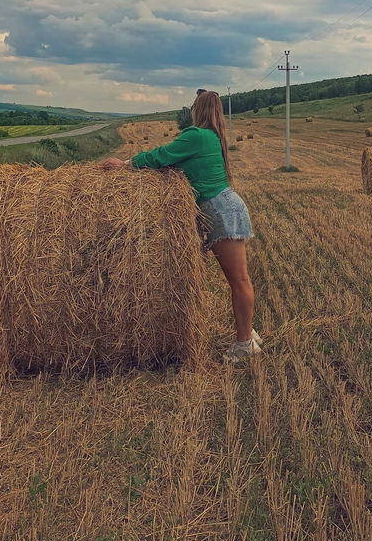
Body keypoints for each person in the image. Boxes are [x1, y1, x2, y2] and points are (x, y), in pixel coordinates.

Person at [103, 91, 261, 362]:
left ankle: (245, 344)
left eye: (193, 106)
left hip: (222, 211)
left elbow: (162, 156)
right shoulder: (210, 136)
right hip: (223, 208)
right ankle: (248, 334)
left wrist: (125, 165)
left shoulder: (196, 135)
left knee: (239, 281)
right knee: (239, 280)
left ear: (197, 109)